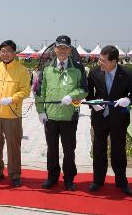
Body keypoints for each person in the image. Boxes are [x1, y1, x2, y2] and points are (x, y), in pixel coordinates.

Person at [87, 45, 132, 195]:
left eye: (103, 61)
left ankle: (121, 182)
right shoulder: (94, 72)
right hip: (99, 118)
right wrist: (93, 103)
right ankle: (98, 181)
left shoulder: (128, 74)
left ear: (114, 61)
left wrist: (128, 99)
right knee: (99, 150)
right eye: (100, 59)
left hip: (119, 118)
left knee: (118, 150)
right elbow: (88, 93)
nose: (100, 63)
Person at [35, 35, 88, 191]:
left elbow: (84, 90)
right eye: (59, 47)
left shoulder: (78, 68)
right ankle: (52, 177)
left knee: (69, 150)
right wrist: (40, 111)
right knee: (52, 149)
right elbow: (39, 91)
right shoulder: (46, 68)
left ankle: (69, 178)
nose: (62, 51)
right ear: (55, 49)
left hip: (69, 116)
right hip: (50, 117)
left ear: (70, 50)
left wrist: (71, 96)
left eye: (66, 48)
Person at [0, 40, 31, 188]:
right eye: (2, 51)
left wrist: (12, 99)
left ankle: (15, 174)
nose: (5, 54)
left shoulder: (22, 70)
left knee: (13, 146)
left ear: (14, 53)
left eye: (8, 51)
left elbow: (25, 91)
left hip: (12, 114)